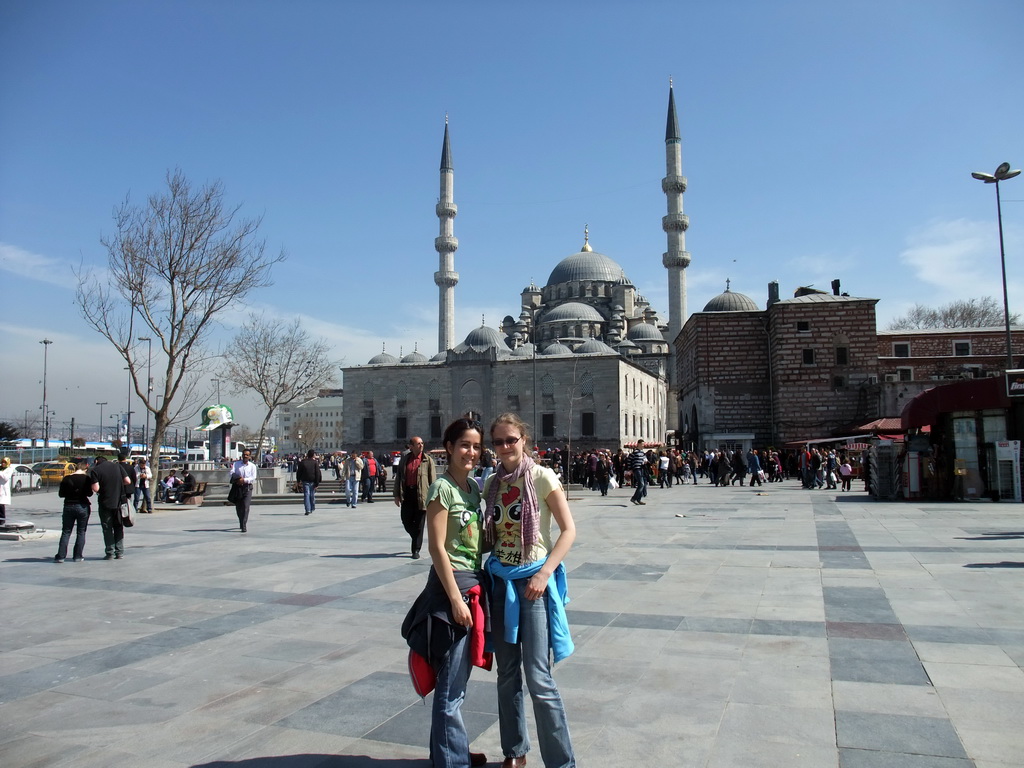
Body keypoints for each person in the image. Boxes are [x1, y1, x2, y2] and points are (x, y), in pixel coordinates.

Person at [483, 412, 576, 768]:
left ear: (524, 440)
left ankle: (561, 762)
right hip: (500, 582)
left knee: (538, 676)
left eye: (511, 440)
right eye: (499, 441)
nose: (505, 447)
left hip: (533, 581)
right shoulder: (492, 482)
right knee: (507, 675)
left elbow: (568, 531)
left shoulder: (541, 477)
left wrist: (544, 574)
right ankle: (515, 752)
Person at [402, 418, 490, 768]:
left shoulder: (471, 488)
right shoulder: (442, 489)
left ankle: (450, 750)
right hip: (451, 588)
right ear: (449, 447)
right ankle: (452, 762)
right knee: (451, 688)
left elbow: (473, 541)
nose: (471, 452)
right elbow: (437, 549)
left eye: (476, 446)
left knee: (456, 683)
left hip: (472, 582)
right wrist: (455, 599)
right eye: (464, 445)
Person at [394, 436, 437, 559]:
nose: (421, 445)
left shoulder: (427, 460)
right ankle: (416, 536)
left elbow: (433, 481)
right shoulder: (405, 460)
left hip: (422, 495)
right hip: (408, 493)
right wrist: (397, 495)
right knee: (405, 520)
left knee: (419, 524)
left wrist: (433, 499)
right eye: (418, 443)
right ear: (411, 446)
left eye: (422, 443)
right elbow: (399, 478)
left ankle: (416, 550)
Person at [55, 457, 97, 562]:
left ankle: (61, 556)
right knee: (81, 531)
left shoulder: (67, 478)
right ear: (85, 469)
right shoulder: (87, 479)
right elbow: (90, 493)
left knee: (66, 531)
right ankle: (78, 556)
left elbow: (61, 494)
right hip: (82, 506)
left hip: (69, 505)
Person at [89, 455, 131, 559]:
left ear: (96, 461)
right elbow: (127, 481)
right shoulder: (117, 466)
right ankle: (120, 552)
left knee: (107, 528)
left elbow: (96, 488)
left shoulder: (95, 470)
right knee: (118, 526)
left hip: (105, 502)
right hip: (119, 502)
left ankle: (110, 552)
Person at [230, 449, 258, 532]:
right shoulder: (236, 464)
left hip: (247, 488)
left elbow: (253, 477)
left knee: (245, 506)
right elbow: (231, 472)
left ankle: (244, 524)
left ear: (249, 456)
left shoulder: (252, 466)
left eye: (247, 455)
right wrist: (238, 479)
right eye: (244, 454)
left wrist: (244, 480)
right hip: (238, 487)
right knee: (239, 507)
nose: (245, 456)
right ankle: (241, 521)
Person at [296, 449, 322, 515]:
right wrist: (317, 482)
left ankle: (307, 509)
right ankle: (312, 507)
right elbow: (318, 473)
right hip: (313, 481)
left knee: (306, 495)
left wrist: (298, 480)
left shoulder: (303, 462)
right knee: (312, 495)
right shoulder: (315, 462)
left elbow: (299, 472)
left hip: (305, 480)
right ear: (313, 455)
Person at [629, 439, 648, 505]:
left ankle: (638, 499)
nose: (643, 445)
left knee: (642, 484)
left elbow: (645, 459)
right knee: (641, 484)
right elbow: (629, 460)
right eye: (642, 444)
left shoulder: (642, 452)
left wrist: (645, 461)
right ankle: (634, 498)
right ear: (639, 444)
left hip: (641, 469)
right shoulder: (635, 452)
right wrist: (630, 469)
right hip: (636, 469)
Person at [0, 456, 15, 525]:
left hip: (3, 490)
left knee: (1, 505)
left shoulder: (9, 469)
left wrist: (0, 472)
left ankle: (2, 520)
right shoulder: (1, 469)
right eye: (2, 462)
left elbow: (6, 478)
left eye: (4, 462)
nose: (3, 464)